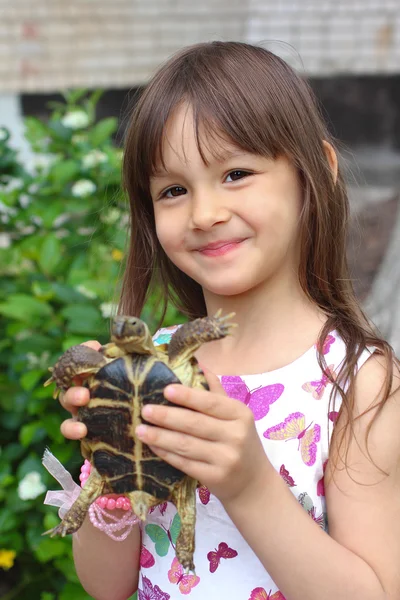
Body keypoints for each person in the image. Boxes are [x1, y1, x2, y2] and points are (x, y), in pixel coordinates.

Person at [57, 41, 400, 600]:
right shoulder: (154, 364)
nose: (205, 213)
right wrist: (113, 475)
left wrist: (249, 485)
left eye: (237, 173)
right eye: (173, 190)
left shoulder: (359, 382)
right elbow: (106, 586)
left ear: (318, 171)